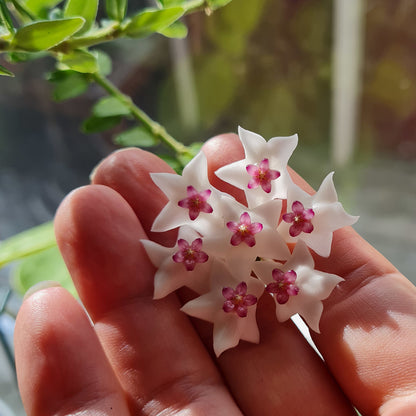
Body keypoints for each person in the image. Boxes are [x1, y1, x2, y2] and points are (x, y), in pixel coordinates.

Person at [14, 134, 416, 415]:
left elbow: (257, 260)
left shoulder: (258, 252)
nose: (242, 299)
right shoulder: (238, 249)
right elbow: (248, 258)